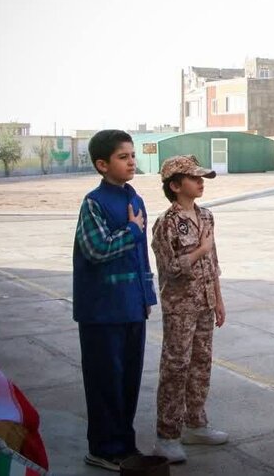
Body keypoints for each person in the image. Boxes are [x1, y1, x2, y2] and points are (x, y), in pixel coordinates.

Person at [73, 130, 157, 471]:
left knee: (128, 380)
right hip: (102, 311)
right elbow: (97, 249)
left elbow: (142, 256)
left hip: (132, 307)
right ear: (102, 165)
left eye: (133, 155)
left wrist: (146, 295)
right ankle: (103, 448)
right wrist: (132, 230)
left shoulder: (135, 199)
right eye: (123, 157)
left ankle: (124, 443)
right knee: (105, 381)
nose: (132, 162)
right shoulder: (94, 203)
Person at [151, 155, 229, 464]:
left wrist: (218, 300)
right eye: (194, 178)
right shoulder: (166, 223)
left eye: (202, 178)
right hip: (180, 307)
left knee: (200, 365)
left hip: (205, 303)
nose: (200, 182)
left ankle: (195, 424)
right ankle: (167, 436)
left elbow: (213, 262)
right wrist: (200, 250)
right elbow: (169, 268)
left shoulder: (206, 216)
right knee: (176, 368)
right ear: (175, 185)